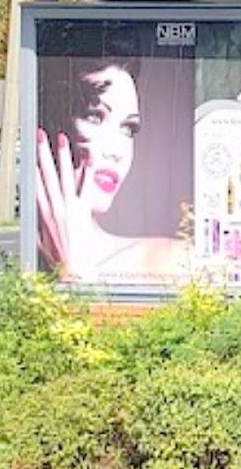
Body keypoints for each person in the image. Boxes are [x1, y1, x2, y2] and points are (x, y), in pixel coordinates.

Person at [34, 25, 187, 284]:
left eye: (128, 128)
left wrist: (76, 275)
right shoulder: (20, 254)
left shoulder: (170, 261)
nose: (117, 152)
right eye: (94, 117)